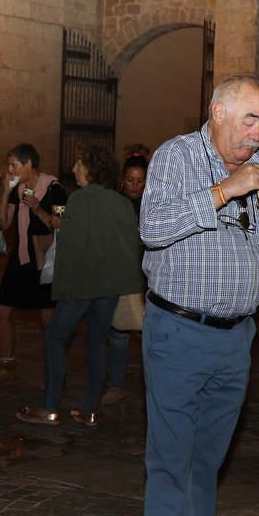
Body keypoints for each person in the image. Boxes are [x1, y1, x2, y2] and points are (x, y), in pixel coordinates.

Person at [138, 75, 259, 516]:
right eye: (251, 120)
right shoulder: (177, 157)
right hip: (178, 331)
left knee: (206, 462)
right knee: (171, 459)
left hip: (236, 337)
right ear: (219, 112)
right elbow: (153, 228)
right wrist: (226, 191)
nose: (258, 134)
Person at [16, 145, 143, 427]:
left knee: (54, 338)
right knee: (97, 343)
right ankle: (90, 410)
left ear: (91, 168)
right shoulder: (121, 202)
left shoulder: (80, 199)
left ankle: (50, 406)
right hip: (110, 287)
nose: (74, 168)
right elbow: (130, 247)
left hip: (81, 285)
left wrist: (59, 287)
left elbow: (70, 249)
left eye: (79, 163)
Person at [0, 143, 67, 382]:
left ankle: (55, 369)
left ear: (29, 163)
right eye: (8, 165)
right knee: (0, 310)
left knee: (48, 318)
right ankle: (6, 364)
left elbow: (60, 223)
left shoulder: (55, 189)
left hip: (44, 260)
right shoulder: (17, 189)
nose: (9, 169)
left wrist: (38, 209)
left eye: (14, 165)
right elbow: (5, 222)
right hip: (21, 257)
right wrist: (6, 191)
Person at [103, 152, 149, 406]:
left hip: (149, 278)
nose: (135, 186)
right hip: (120, 275)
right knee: (119, 332)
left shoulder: (153, 204)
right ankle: (116, 383)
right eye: (130, 180)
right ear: (122, 180)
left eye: (140, 181)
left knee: (150, 334)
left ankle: (152, 384)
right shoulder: (115, 203)